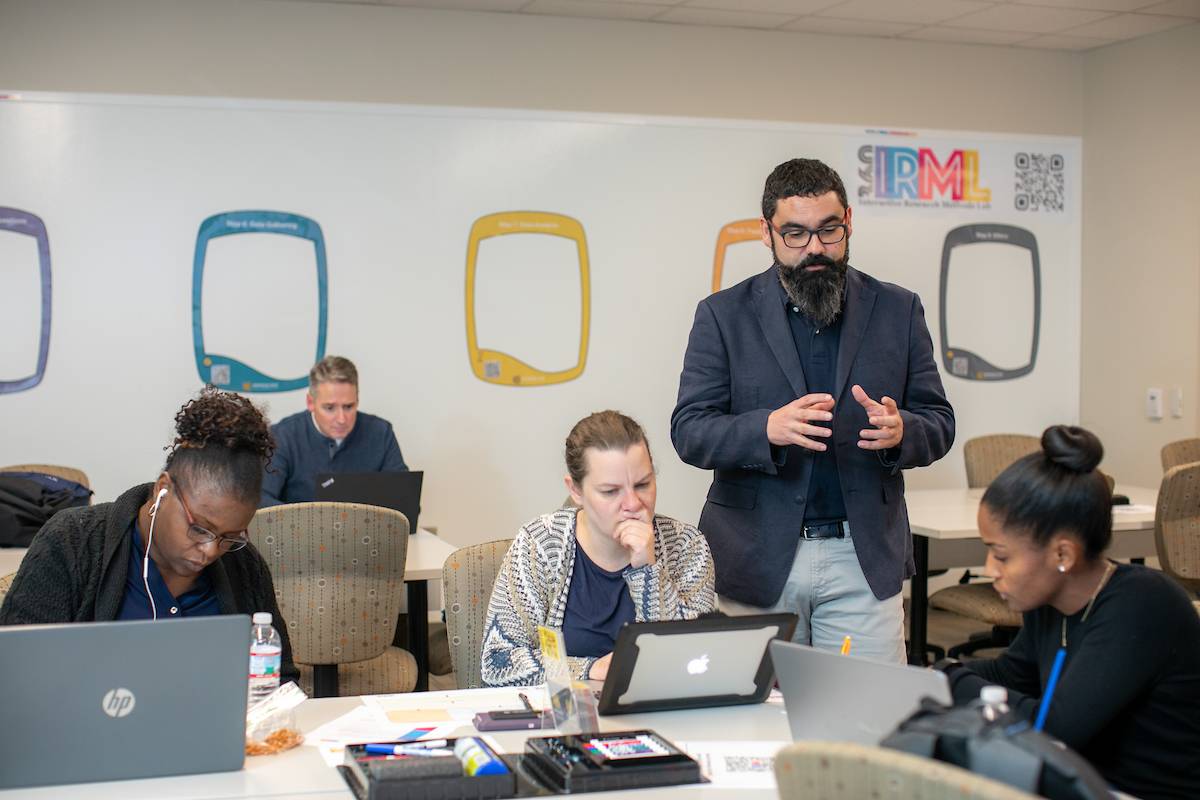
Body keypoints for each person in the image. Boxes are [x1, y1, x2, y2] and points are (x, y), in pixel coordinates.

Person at [671, 158, 954, 663]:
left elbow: (938, 421)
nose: (816, 248)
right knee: (748, 727)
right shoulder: (721, 315)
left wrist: (902, 430)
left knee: (867, 724)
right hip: (756, 560)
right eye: (796, 235)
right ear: (767, 232)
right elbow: (690, 431)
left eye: (829, 230)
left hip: (863, 559)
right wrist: (767, 428)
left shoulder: (898, 310)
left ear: (848, 220)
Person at [936, 426, 1200, 800]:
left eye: (1002, 555)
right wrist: (930, 675)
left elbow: (1055, 727)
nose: (990, 568)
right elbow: (1012, 675)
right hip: (1082, 785)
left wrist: (953, 680)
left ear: (1062, 555)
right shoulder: (1051, 605)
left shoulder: (1142, 605)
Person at [0, 387, 298, 682]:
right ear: (162, 489)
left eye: (229, 537)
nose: (210, 550)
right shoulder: (71, 543)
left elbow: (281, 682)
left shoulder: (244, 566)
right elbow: (15, 673)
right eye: (199, 529)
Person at [481, 410, 716, 686]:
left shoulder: (685, 545)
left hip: (661, 715)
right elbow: (498, 662)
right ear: (576, 490)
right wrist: (589, 669)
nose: (633, 503)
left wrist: (648, 571)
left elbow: (695, 661)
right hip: (567, 719)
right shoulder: (541, 543)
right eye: (610, 491)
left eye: (643, 484)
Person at [260, 355, 407, 506]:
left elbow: (405, 499)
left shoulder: (381, 433)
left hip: (366, 528)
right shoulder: (283, 435)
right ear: (311, 402)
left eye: (348, 407)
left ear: (357, 400)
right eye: (330, 408)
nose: (342, 419)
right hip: (299, 529)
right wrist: (304, 524)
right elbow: (260, 500)